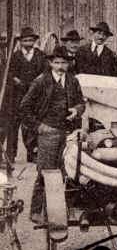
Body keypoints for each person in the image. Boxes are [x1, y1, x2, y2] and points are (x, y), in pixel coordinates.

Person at [22, 46, 85, 224]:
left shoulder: (73, 81)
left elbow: (81, 103)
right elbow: (24, 108)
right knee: (46, 172)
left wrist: (76, 110)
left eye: (64, 62)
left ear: (68, 64)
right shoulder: (40, 81)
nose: (60, 66)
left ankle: (64, 209)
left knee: (70, 171)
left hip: (69, 133)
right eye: (56, 62)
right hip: (48, 133)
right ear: (50, 63)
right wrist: (39, 127)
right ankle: (36, 212)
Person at [2, 28, 47, 164]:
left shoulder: (40, 55)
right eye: (25, 40)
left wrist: (36, 82)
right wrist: (17, 81)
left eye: (31, 40)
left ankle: (32, 153)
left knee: (31, 125)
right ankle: (11, 154)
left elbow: (45, 71)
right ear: (20, 42)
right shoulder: (14, 56)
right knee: (13, 125)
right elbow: (9, 73)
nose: (28, 43)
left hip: (34, 96)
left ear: (34, 41)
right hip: (17, 95)